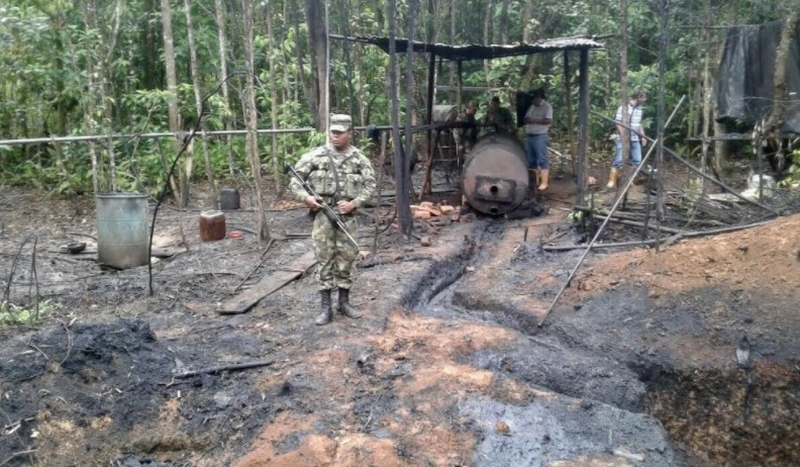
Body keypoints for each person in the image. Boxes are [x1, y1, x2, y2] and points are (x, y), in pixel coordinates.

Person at [289, 114, 377, 326]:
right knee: (324, 258)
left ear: (350, 134)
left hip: (348, 217)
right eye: (333, 132)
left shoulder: (359, 158)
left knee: (347, 257)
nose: (335, 136)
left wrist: (354, 203)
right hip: (323, 215)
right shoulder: (316, 155)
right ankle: (325, 307)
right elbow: (295, 179)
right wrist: (306, 198)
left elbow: (370, 186)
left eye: (340, 132)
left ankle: (344, 303)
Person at [607, 91, 647, 189]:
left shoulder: (639, 109)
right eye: (644, 98)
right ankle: (612, 180)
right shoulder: (624, 108)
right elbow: (618, 122)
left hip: (634, 138)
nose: (645, 100)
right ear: (638, 97)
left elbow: (639, 124)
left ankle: (629, 179)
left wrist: (643, 136)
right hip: (622, 138)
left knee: (637, 160)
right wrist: (623, 135)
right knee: (619, 159)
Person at [523, 88, 553, 191]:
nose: (533, 101)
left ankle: (544, 183)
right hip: (530, 136)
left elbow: (548, 121)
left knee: (542, 159)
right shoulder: (532, 106)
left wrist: (534, 120)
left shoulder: (547, 107)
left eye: (534, 99)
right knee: (531, 160)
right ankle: (535, 181)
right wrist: (531, 120)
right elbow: (526, 119)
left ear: (539, 98)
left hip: (540, 136)